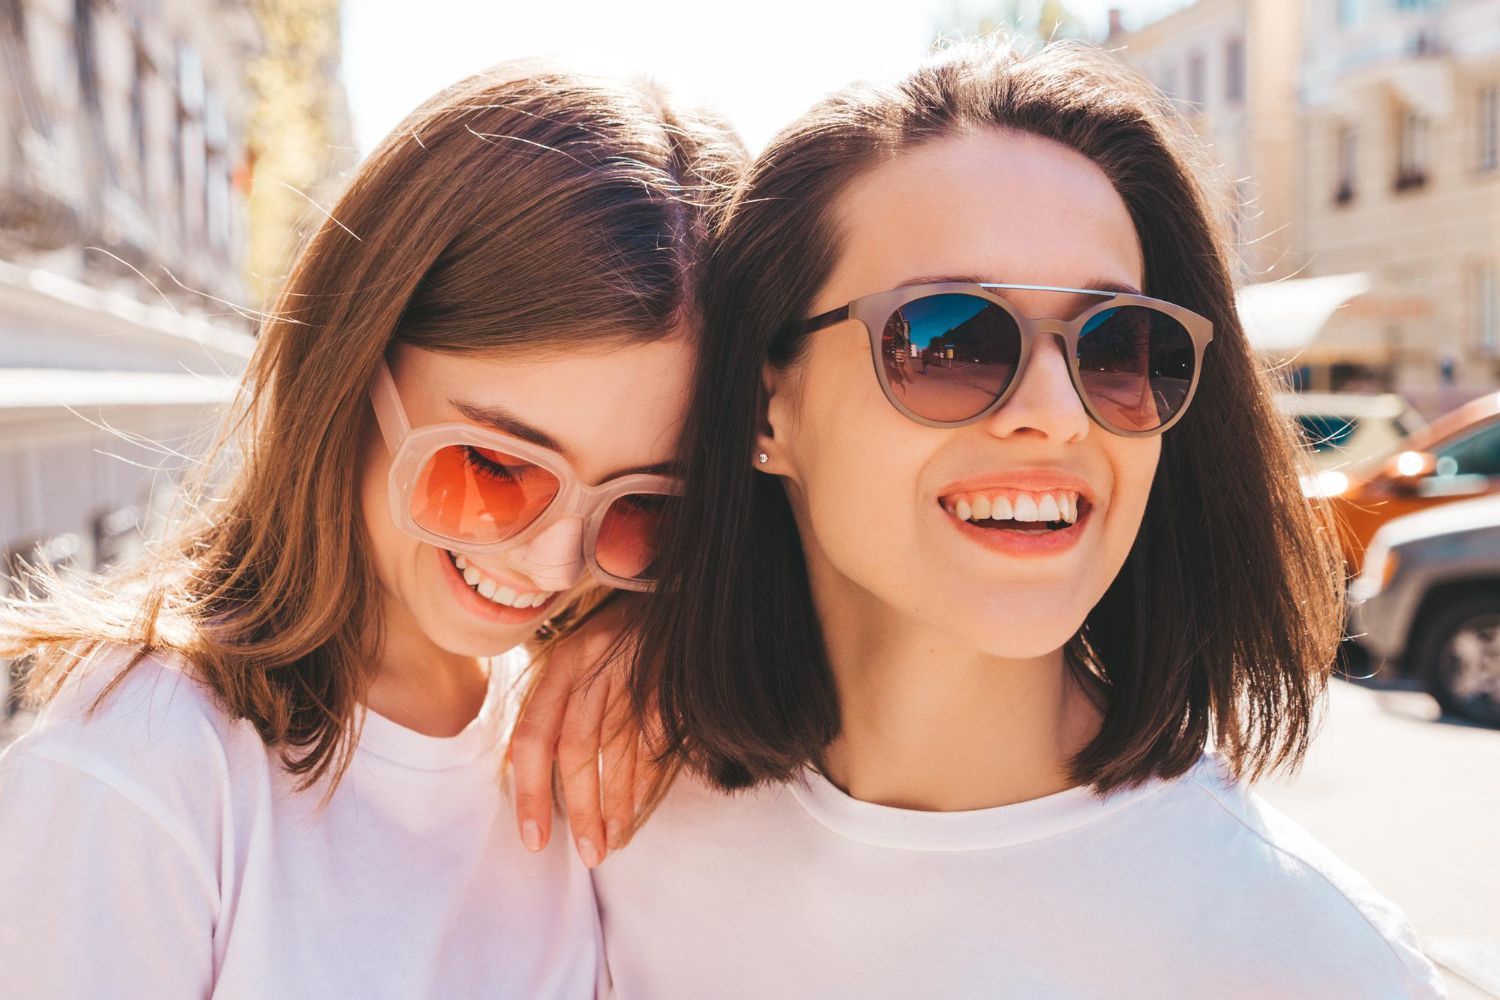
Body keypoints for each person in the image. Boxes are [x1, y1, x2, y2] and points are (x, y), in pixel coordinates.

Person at [588, 39, 1448, 998]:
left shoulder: (1307, 959)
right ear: (763, 409)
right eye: (947, 339)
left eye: (1120, 347)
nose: (1056, 410)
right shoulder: (599, 826)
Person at [0, 63, 742, 997]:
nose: (555, 558)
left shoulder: (601, 733)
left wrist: (660, 636)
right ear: (354, 371)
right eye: (497, 468)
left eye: (642, 508)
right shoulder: (139, 768)